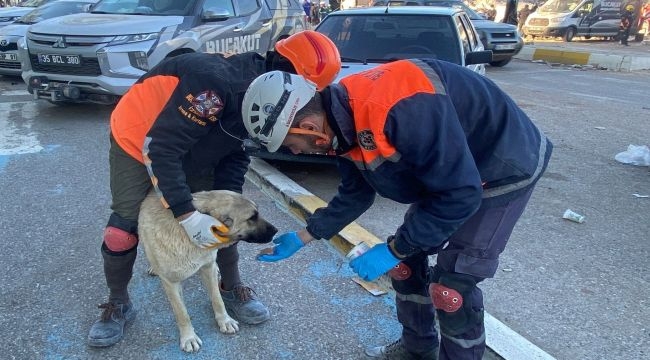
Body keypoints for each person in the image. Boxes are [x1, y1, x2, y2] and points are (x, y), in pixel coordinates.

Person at [242, 58, 553, 360]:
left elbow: (459, 193)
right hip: (448, 174)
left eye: (291, 144)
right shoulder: (340, 123)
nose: (294, 152)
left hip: (502, 165)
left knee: (451, 289)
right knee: (404, 266)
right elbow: (356, 193)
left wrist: (396, 248)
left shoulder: (400, 111)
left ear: (309, 126)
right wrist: (307, 234)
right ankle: (417, 349)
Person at [86, 30, 341, 348]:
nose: (307, 102)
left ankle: (230, 286)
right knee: (122, 229)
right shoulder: (216, 86)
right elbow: (162, 151)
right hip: (140, 140)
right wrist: (186, 215)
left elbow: (237, 153)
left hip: (194, 142)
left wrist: (229, 202)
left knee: (227, 216)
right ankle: (118, 301)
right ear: (286, 75)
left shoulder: (271, 106)